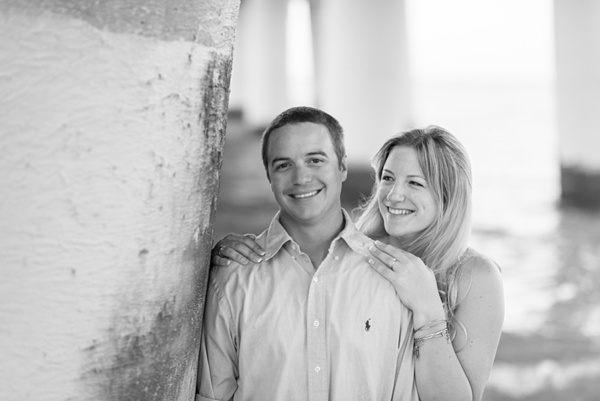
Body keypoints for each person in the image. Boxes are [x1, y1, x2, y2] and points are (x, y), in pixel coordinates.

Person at [213, 125, 505, 401]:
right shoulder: (355, 252)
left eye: (415, 183)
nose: (394, 195)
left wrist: (427, 308)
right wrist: (225, 263)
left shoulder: (475, 276)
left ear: (448, 196)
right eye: (388, 178)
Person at [196, 106, 419, 401]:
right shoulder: (232, 278)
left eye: (315, 160)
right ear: (269, 176)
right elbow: (213, 394)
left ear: (342, 166)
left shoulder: (393, 276)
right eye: (283, 165)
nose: (301, 177)